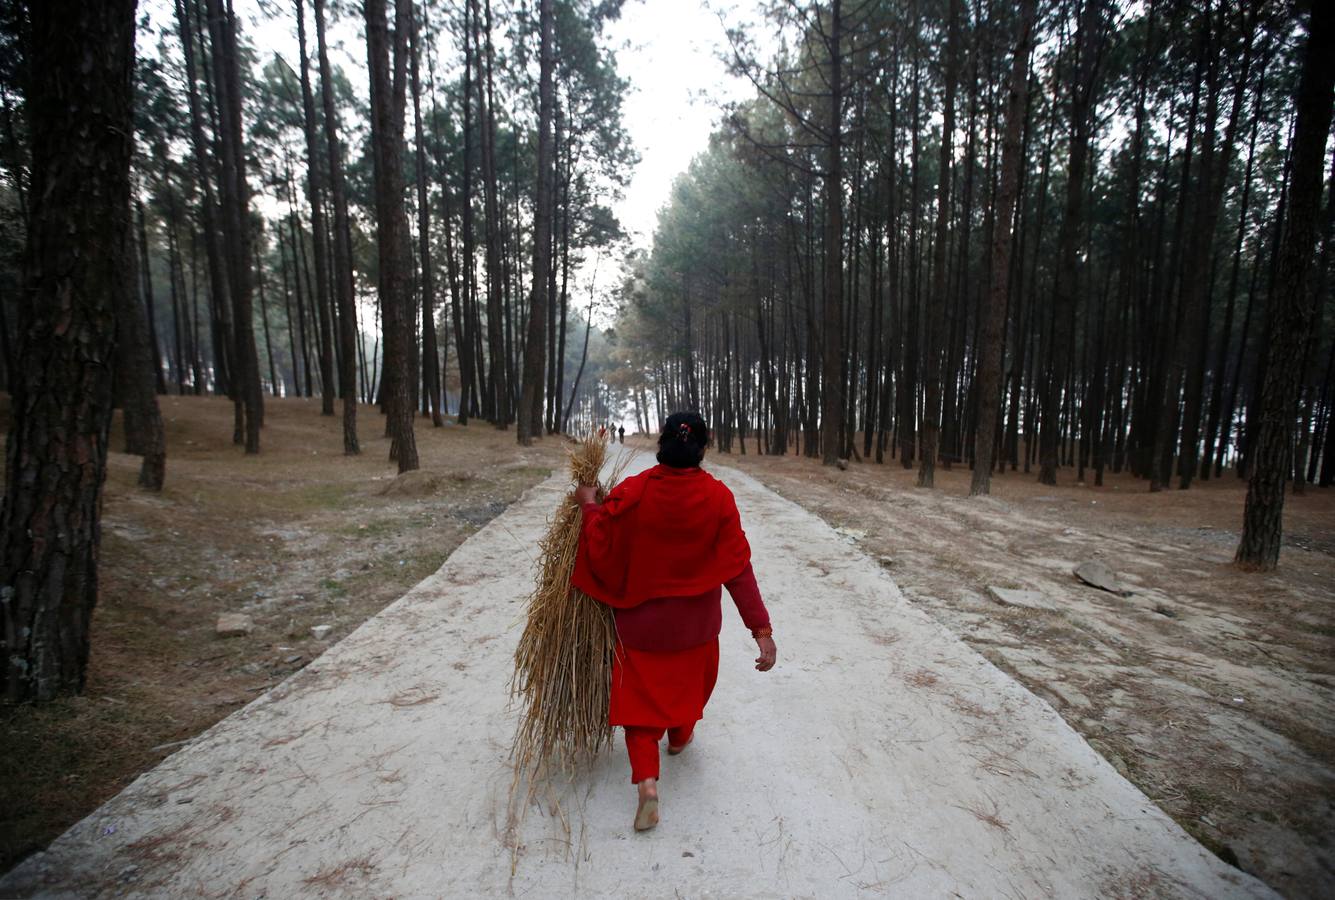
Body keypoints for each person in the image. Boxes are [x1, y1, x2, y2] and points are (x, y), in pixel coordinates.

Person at [572, 412, 776, 833]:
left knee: (641, 710)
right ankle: (680, 738)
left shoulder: (634, 492)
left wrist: (589, 504)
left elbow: (600, 544)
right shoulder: (719, 499)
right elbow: (739, 570)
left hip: (642, 627)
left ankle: (647, 783)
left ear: (660, 445)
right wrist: (762, 632)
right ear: (704, 447)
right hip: (696, 630)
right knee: (687, 690)